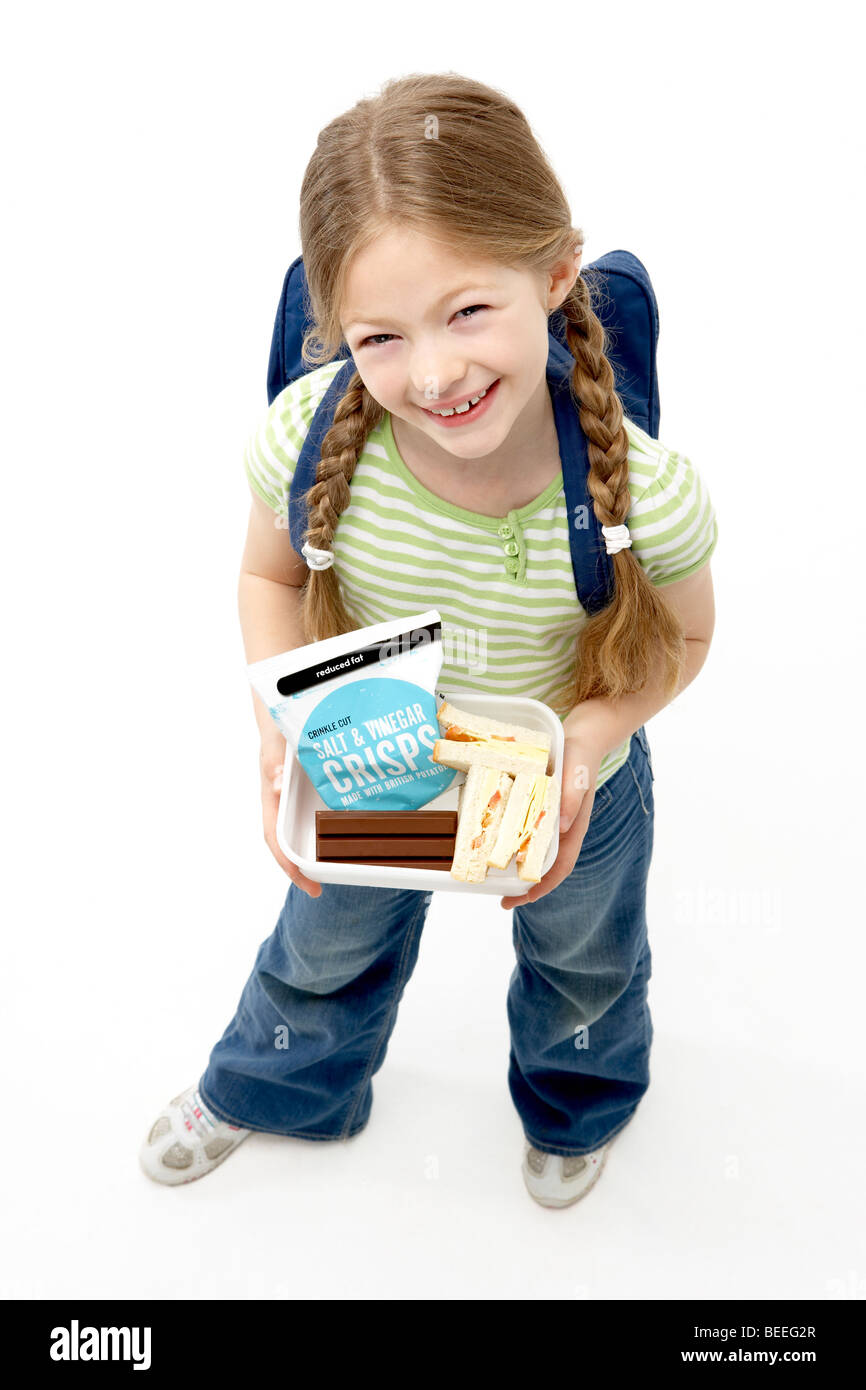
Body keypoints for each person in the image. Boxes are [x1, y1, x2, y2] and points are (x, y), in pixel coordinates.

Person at [140, 72, 718, 1208]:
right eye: (380, 336)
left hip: (568, 773)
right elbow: (265, 574)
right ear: (332, 331)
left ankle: (576, 1097)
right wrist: (280, 718)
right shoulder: (308, 436)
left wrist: (590, 741)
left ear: (552, 275)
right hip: (373, 750)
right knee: (319, 946)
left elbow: (682, 642)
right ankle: (277, 1084)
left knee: (583, 962)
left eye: (467, 311)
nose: (437, 373)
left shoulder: (642, 489)